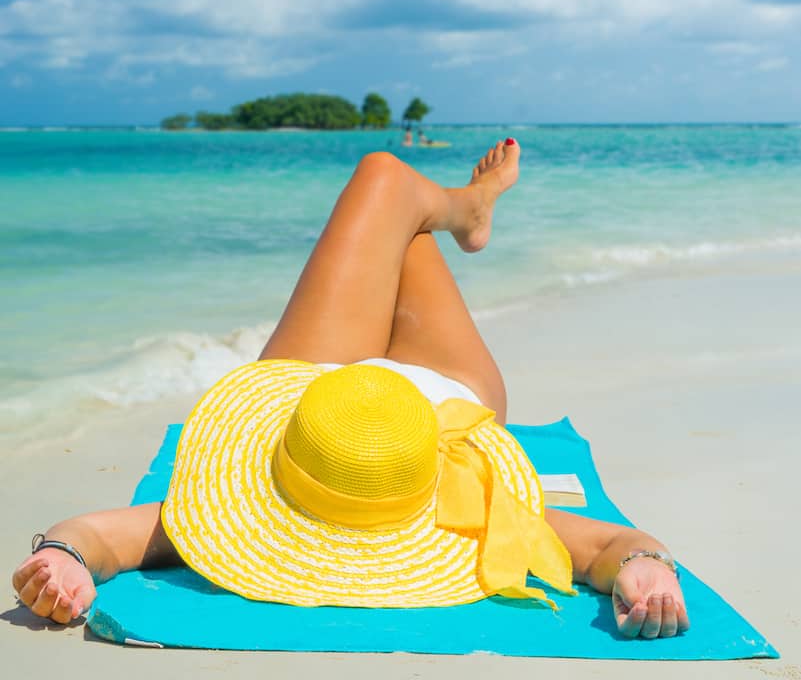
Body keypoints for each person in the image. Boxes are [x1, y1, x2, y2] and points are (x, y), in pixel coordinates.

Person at [13, 139, 689, 639]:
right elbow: (614, 545)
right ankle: (466, 210)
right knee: (391, 191)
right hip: (424, 393)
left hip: (316, 384)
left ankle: (463, 209)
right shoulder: (477, 518)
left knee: (385, 180)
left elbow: (97, 534)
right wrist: (646, 568)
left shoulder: (216, 519)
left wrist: (65, 558)